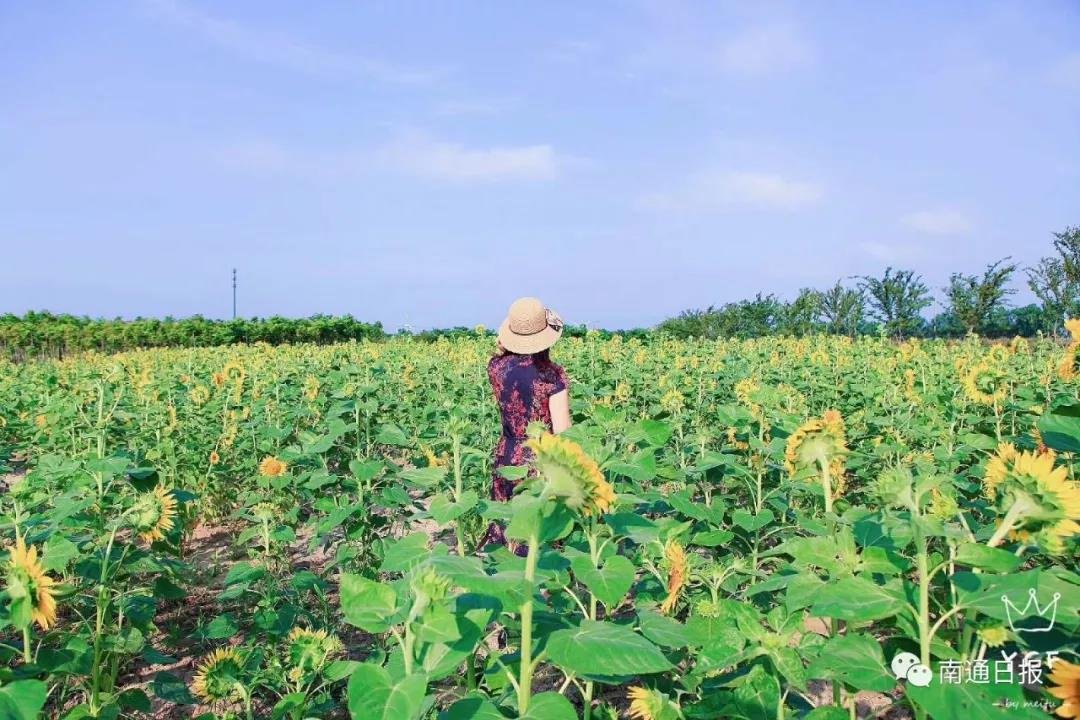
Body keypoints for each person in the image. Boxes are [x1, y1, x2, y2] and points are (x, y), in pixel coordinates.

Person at [484, 297, 571, 551]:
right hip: (539, 460)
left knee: (507, 523)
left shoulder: (496, 367)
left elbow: (501, 355)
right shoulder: (551, 375)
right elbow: (563, 430)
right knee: (539, 535)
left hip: (507, 454)